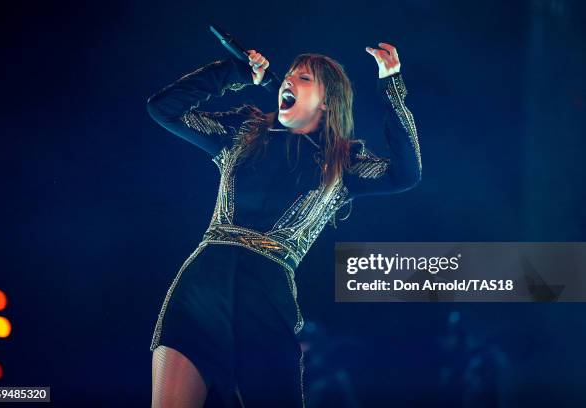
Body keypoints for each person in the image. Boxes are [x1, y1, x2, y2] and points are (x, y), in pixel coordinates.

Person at [147, 42, 421, 407]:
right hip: (201, 286)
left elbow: (406, 173)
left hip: (266, 294)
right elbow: (163, 109)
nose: (288, 81)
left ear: (326, 102)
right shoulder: (243, 133)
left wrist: (391, 84)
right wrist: (235, 73)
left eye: (303, 77)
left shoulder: (344, 163)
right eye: (288, 75)